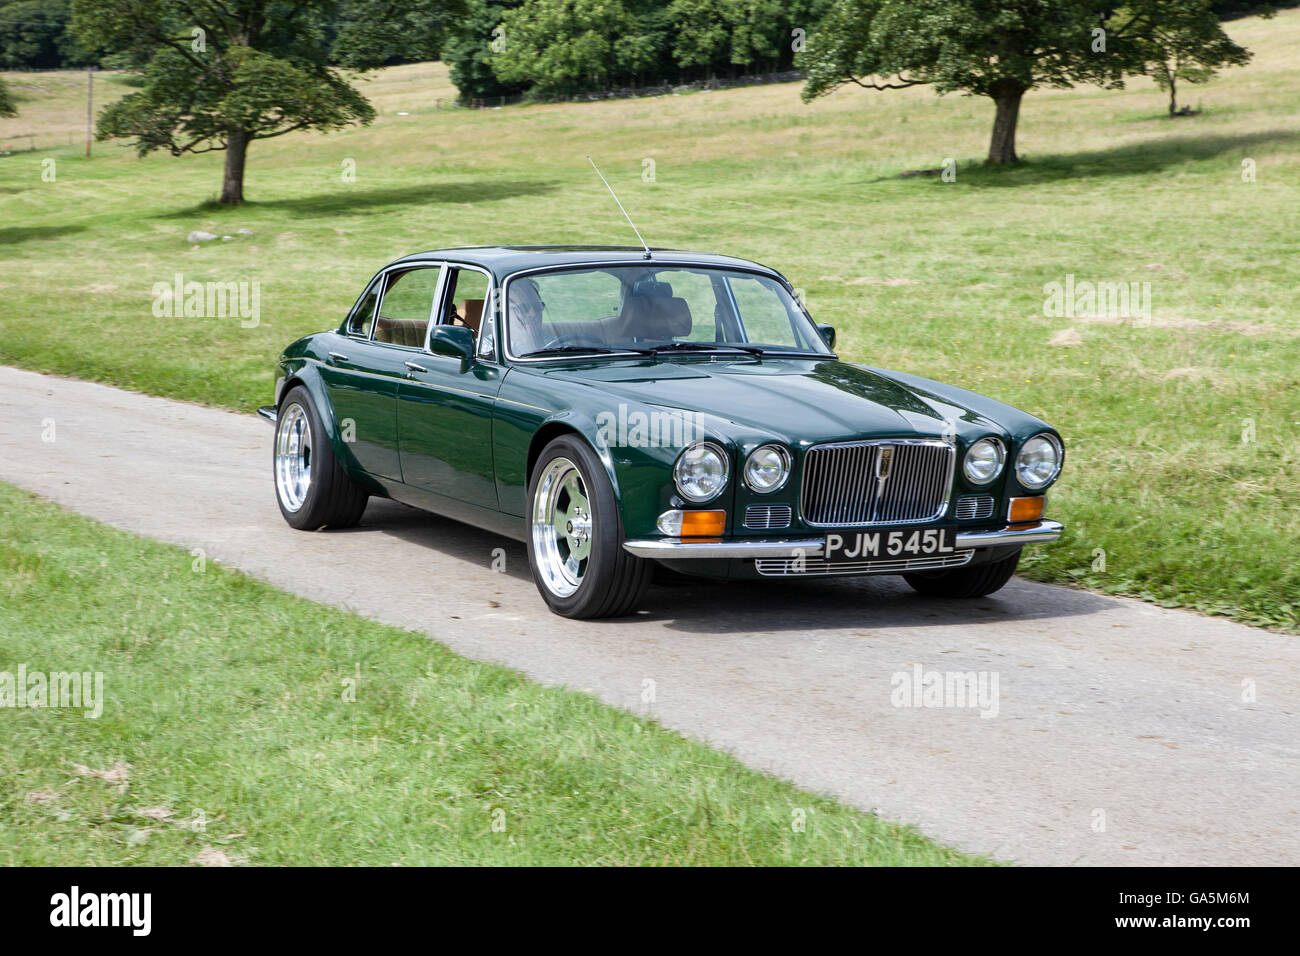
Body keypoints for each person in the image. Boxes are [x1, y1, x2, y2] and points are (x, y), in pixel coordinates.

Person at [508, 278, 547, 355]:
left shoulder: (560, 344)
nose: (533, 314)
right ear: (507, 312)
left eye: (537, 306)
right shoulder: (490, 347)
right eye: (524, 308)